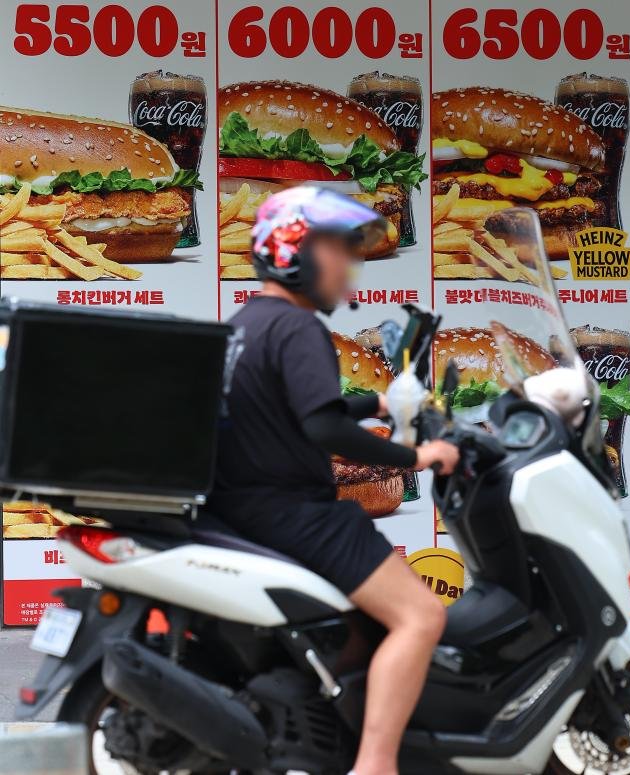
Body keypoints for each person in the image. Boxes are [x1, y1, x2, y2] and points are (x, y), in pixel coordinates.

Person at [212, 187, 459, 775]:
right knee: (423, 616)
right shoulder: (298, 329)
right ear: (293, 250)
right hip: (299, 516)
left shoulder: (247, 322)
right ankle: (376, 764)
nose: (348, 268)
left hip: (247, 509)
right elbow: (318, 426)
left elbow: (293, 410)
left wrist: (371, 400)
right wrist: (418, 457)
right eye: (337, 251)